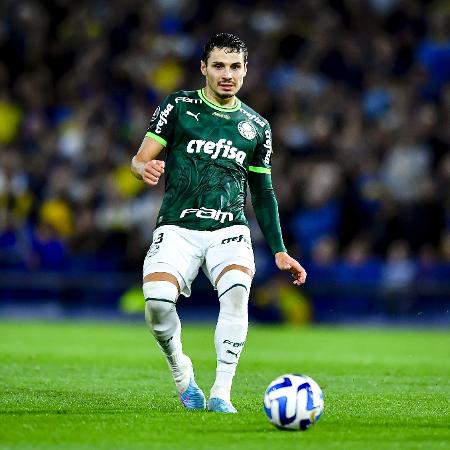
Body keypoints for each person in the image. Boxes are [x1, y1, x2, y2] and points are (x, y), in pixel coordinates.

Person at [131, 33, 307, 413]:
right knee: (158, 306)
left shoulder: (255, 126)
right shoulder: (178, 106)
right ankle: (182, 373)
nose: (227, 74)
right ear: (204, 68)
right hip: (177, 227)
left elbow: (263, 193)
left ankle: (221, 393)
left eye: (235, 67)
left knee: (238, 291)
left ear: (245, 71)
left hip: (229, 230)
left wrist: (279, 251)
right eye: (218, 66)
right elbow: (139, 159)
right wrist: (144, 168)